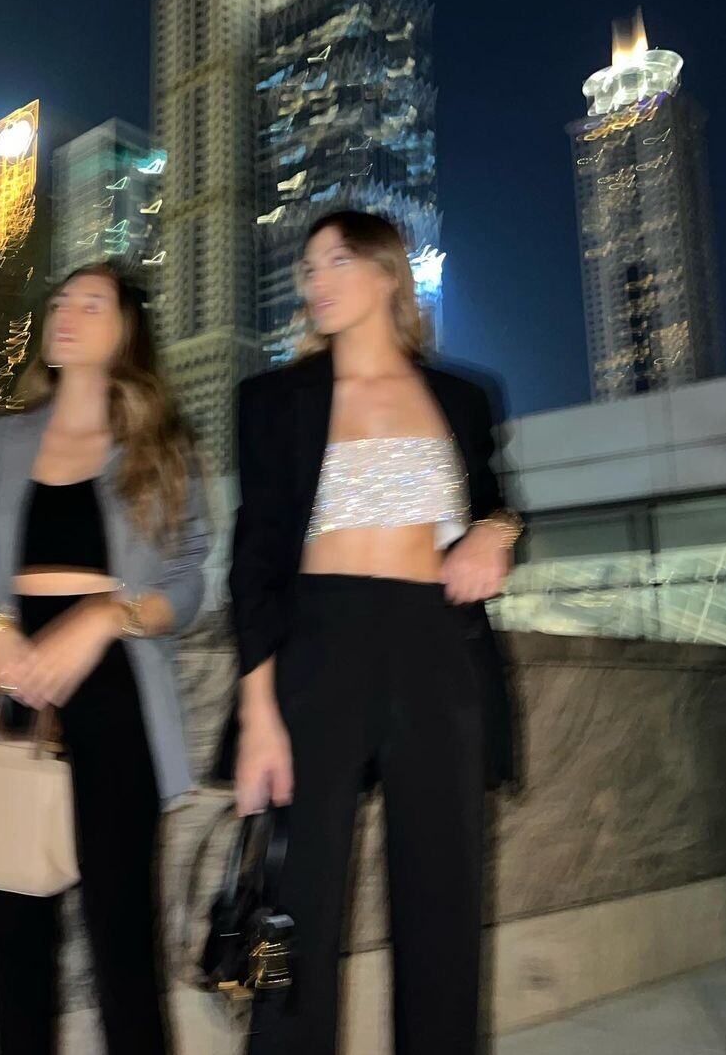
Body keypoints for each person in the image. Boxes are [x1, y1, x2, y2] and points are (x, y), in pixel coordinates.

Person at [228, 211, 521, 1055]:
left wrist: (498, 534)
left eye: (338, 261)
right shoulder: (274, 400)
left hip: (439, 650)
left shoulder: (463, 397)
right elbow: (253, 564)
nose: (314, 279)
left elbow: (496, 505)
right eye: (308, 266)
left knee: (444, 907)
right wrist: (258, 713)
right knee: (296, 906)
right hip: (319, 646)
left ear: (389, 273)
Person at [0, 264, 211, 1055]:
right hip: (12, 687)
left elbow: (186, 580)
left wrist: (105, 615)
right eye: (60, 301)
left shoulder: (160, 447)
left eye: (91, 304)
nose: (66, 312)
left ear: (126, 330)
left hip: (116, 687)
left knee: (123, 940)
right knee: (16, 936)